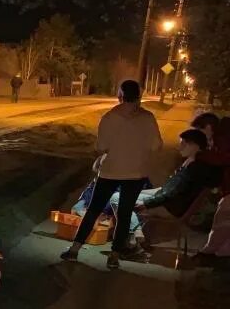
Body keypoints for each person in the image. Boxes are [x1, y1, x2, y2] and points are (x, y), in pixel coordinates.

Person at [61, 80, 161, 268]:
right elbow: (156, 145)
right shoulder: (148, 118)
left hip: (110, 171)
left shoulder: (109, 117)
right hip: (136, 174)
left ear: (120, 96)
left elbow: (100, 147)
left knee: (93, 210)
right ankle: (114, 256)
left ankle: (74, 249)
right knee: (124, 213)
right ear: (138, 96)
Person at [134, 129, 221, 249]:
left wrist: (147, 204)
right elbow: (171, 189)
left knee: (118, 199)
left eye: (183, 144)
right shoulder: (192, 163)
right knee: (125, 196)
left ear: (194, 145)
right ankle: (137, 235)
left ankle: (137, 237)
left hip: (171, 207)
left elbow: (172, 193)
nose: (180, 147)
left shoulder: (194, 168)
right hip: (168, 201)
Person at [193, 114, 230, 266]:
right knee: (224, 219)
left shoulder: (222, 138)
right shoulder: (222, 136)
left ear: (208, 127)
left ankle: (212, 253)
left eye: (200, 131)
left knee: (222, 218)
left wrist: (199, 155)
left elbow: (222, 158)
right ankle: (218, 253)